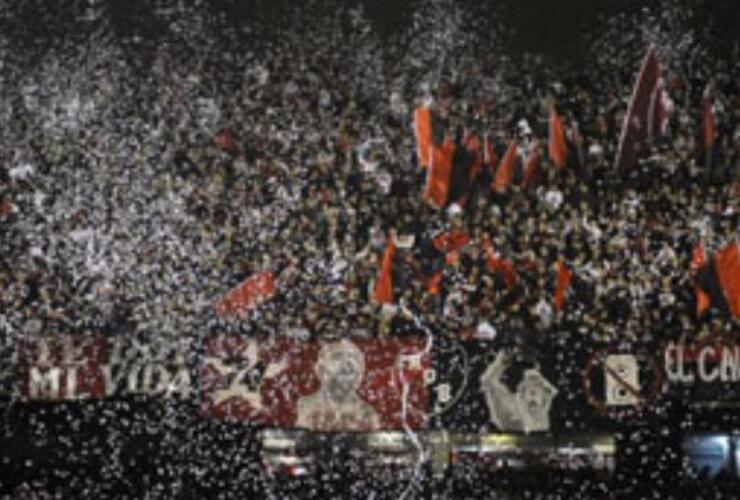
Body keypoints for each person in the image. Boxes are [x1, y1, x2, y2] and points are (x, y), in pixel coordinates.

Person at [295, 339, 380, 431]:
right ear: (321, 370)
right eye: (338, 357)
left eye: (353, 358)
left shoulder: (367, 412)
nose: (346, 364)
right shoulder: (305, 405)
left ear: (360, 374)